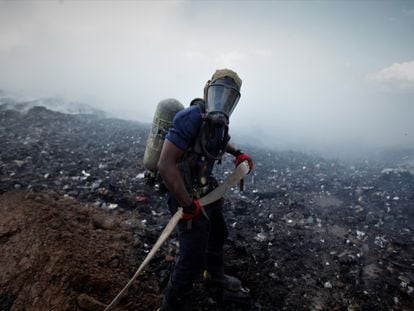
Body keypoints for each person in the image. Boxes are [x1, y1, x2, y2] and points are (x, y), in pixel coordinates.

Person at [157, 69, 253, 310]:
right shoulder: (190, 117)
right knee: (192, 256)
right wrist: (187, 206)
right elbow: (165, 164)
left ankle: (214, 276)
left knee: (218, 233)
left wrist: (237, 153)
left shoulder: (217, 121)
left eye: (229, 96)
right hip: (183, 192)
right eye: (219, 92)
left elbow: (218, 140)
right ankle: (170, 305)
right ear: (208, 88)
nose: (222, 100)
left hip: (204, 190)